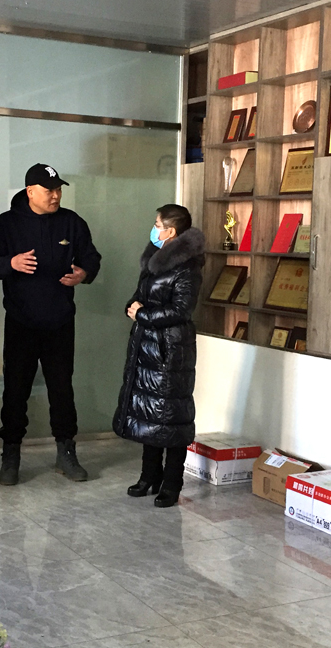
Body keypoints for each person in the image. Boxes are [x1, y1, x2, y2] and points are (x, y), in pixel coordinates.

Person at [0, 163, 101, 486]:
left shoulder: (72, 222)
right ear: (30, 191)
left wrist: (84, 274)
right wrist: (11, 263)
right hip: (21, 322)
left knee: (62, 388)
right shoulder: (6, 225)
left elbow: (92, 257)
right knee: (15, 389)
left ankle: (66, 452)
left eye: (59, 189)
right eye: (49, 190)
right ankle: (10, 455)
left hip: (60, 321)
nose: (56, 195)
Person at [112, 204, 205, 508]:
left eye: (157, 225)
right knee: (149, 413)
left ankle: (172, 483)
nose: (153, 229)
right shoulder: (155, 259)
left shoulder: (187, 267)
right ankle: (148, 476)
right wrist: (133, 306)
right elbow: (143, 295)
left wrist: (143, 315)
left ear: (170, 231)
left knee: (172, 417)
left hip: (171, 351)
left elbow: (181, 311)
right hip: (147, 346)